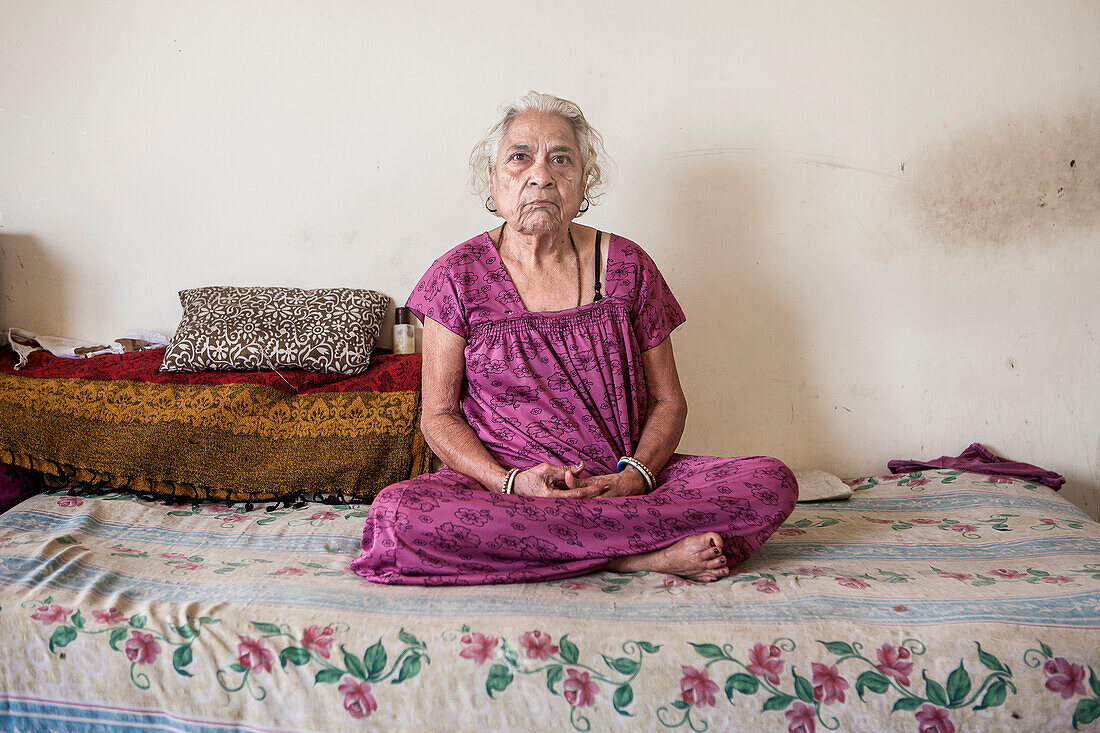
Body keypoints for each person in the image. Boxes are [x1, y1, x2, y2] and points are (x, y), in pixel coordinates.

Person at [351, 92, 797, 586]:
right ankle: (631, 556)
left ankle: (579, 542)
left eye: (560, 158)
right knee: (398, 516)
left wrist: (635, 477)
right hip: (504, 490)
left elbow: (669, 401)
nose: (540, 175)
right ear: (492, 181)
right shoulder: (455, 276)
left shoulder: (628, 266)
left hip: (620, 482)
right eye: (520, 157)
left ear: (584, 182)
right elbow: (438, 417)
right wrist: (514, 483)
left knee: (771, 481)